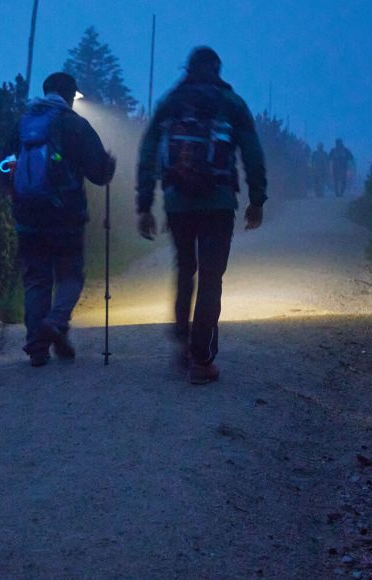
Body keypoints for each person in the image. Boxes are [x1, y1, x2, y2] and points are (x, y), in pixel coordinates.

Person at [136, 47, 267, 384]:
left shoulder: (171, 102)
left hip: (177, 202)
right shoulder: (231, 102)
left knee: (185, 270)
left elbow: (148, 152)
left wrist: (144, 205)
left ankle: (183, 339)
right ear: (217, 69)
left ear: (188, 68)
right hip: (218, 202)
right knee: (211, 277)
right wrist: (257, 199)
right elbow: (252, 152)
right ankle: (201, 359)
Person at [3, 72, 116, 367]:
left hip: (28, 215)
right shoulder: (76, 125)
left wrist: (16, 194)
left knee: (36, 279)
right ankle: (55, 321)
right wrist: (109, 166)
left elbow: (3, 164)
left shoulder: (23, 124)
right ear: (70, 96)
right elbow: (99, 174)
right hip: (66, 216)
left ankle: (37, 348)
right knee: (70, 275)